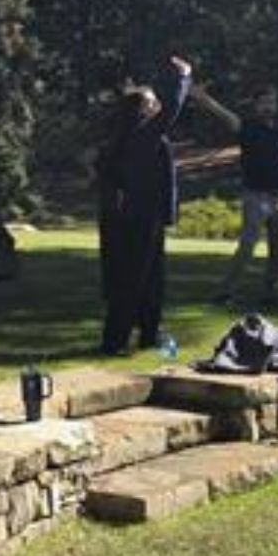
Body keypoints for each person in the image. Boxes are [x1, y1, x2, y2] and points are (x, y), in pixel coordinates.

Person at [94, 55, 194, 357]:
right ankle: (114, 342)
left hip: (142, 217)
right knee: (131, 281)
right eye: (151, 102)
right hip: (137, 219)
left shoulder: (130, 137)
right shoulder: (141, 134)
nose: (156, 105)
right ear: (141, 110)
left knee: (152, 280)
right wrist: (183, 77)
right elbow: (172, 110)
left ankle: (149, 334)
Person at [191, 83, 278, 306]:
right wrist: (202, 98)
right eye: (264, 102)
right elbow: (224, 115)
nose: (269, 106)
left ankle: (270, 292)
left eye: (272, 102)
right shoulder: (248, 127)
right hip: (256, 196)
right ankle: (225, 291)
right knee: (247, 245)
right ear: (256, 105)